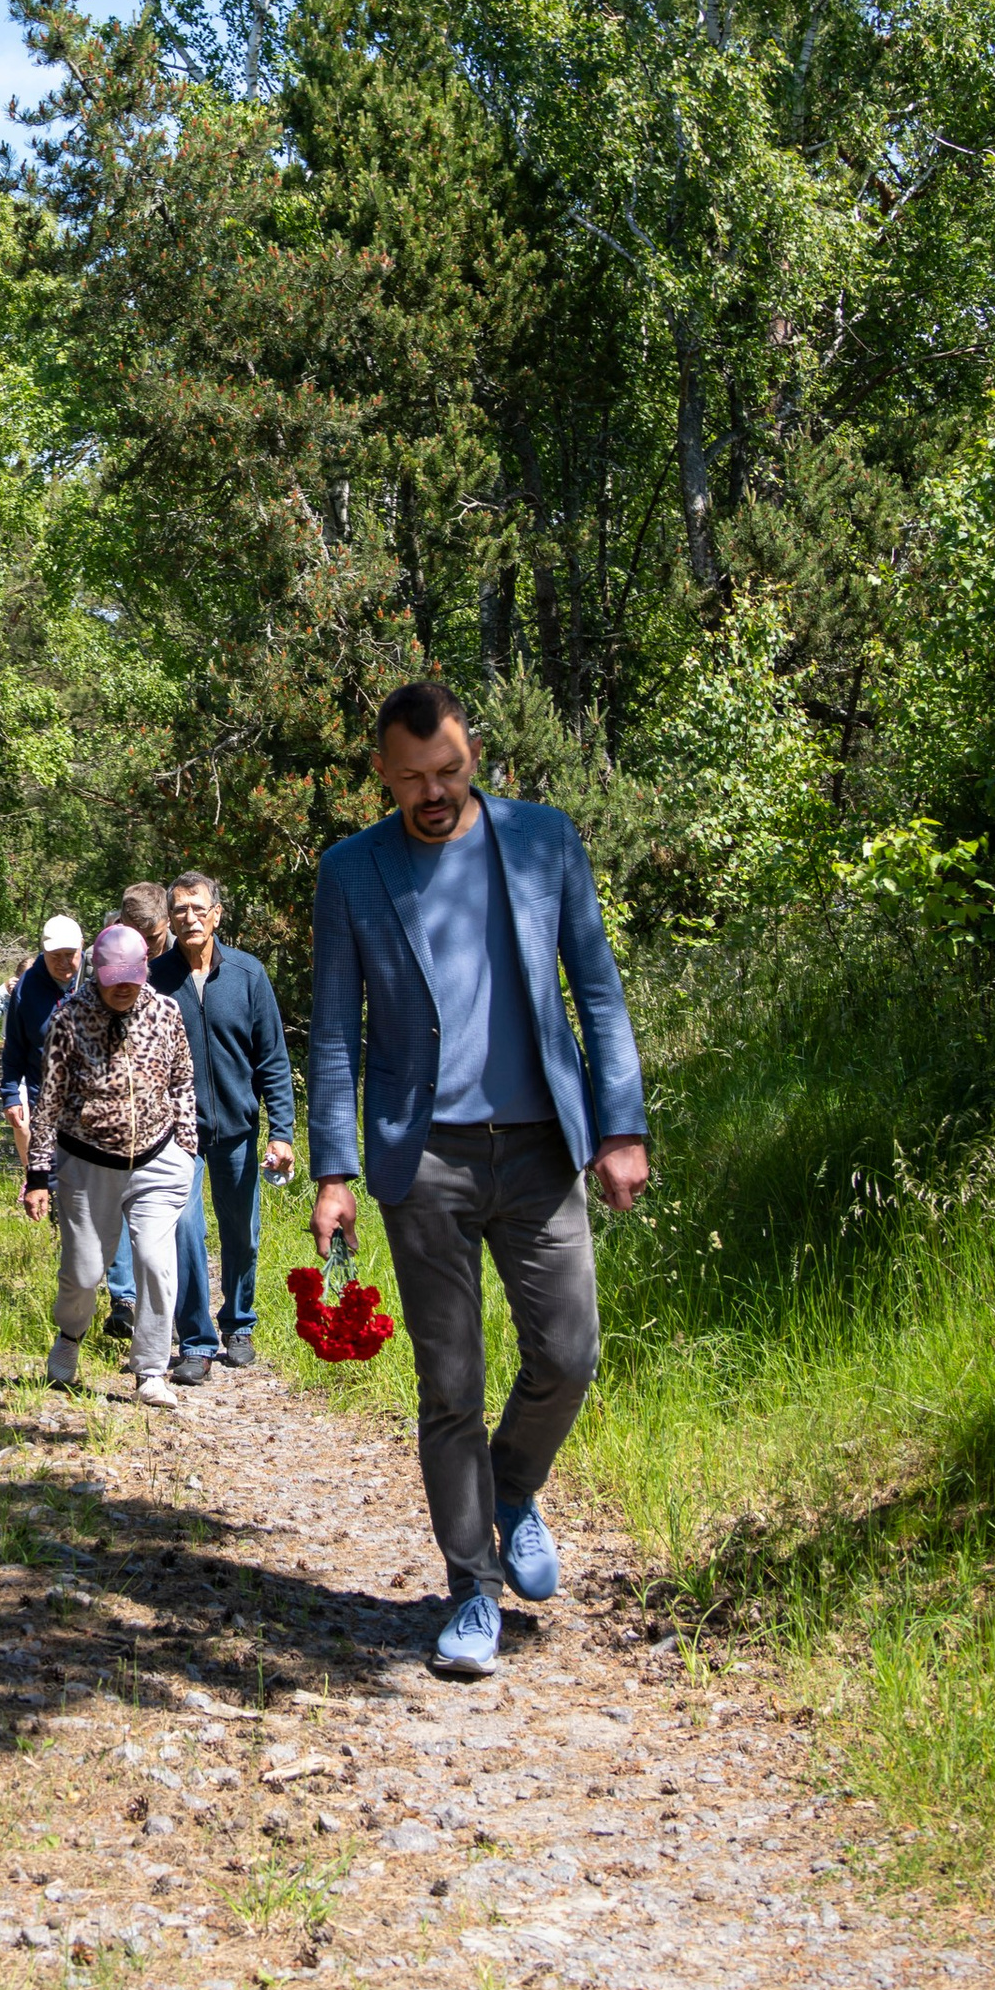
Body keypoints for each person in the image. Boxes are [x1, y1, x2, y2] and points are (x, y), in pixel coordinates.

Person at [309, 677, 650, 1682]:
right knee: (448, 1382)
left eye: (449, 771)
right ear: (381, 773)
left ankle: (507, 1493)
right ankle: (470, 1588)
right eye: (411, 777)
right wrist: (333, 1169)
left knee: (570, 1352)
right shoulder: (351, 871)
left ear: (474, 754)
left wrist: (620, 1126)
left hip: (543, 1145)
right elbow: (333, 1033)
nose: (432, 793)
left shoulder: (542, 840)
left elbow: (597, 987)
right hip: (425, 1159)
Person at [24, 920, 200, 1408]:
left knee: (155, 1264)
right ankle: (70, 1336)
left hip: (159, 1158)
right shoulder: (69, 1017)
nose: (123, 987)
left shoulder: (166, 1012)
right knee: (83, 1273)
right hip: (86, 1162)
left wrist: (186, 1144)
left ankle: (150, 1370)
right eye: (113, 976)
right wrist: (38, 1174)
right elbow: (50, 1101)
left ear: (144, 970)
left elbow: (183, 1080)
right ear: (96, 972)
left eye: (132, 976)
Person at [153, 870, 297, 1384]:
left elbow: (274, 1061)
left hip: (237, 1129)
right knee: (185, 1230)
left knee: (243, 1233)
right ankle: (194, 1340)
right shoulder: (156, 980)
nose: (189, 918)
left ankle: (239, 1324)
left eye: (198, 908)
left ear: (216, 914)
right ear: (169, 920)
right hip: (178, 1134)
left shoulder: (247, 974)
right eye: (179, 910)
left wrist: (282, 1130)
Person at [106, 883, 175, 1340]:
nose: (146, 948)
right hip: (114, 1105)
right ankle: (123, 1299)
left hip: (166, 1109)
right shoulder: (109, 947)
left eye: (153, 938)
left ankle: (162, 1315)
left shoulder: (182, 955)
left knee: (159, 1222)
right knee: (116, 1206)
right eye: (139, 938)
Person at [0, 914, 86, 1178]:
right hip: (45, 1102)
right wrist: (11, 1094)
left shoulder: (98, 979)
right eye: (54, 955)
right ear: (43, 952)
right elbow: (14, 1047)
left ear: (82, 947)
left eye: (70, 954)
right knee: (55, 1182)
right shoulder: (27, 988)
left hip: (94, 1104)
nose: (63, 963)